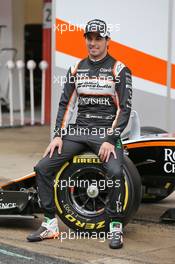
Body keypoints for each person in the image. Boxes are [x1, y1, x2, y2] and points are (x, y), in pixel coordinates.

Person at [27, 19, 132, 249]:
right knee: (43, 167)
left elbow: (124, 109)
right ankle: (50, 224)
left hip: (105, 131)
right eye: (89, 38)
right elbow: (66, 105)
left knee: (115, 171)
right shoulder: (76, 68)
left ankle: (115, 226)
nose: (93, 43)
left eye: (98, 38)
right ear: (85, 39)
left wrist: (110, 139)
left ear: (107, 41)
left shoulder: (119, 69)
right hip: (78, 130)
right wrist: (57, 135)